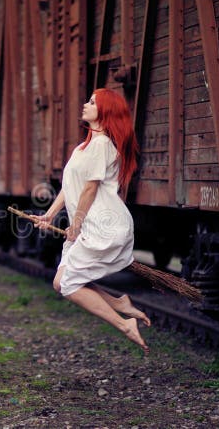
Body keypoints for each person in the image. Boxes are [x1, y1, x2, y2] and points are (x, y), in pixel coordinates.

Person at [36, 88, 150, 354]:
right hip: (91, 223)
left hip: (104, 225)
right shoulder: (84, 146)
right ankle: (119, 303)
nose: (85, 105)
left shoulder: (102, 145)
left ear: (105, 111)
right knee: (61, 282)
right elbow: (70, 186)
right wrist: (50, 214)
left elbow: (89, 189)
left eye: (92, 102)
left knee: (67, 284)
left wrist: (75, 223)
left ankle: (125, 325)